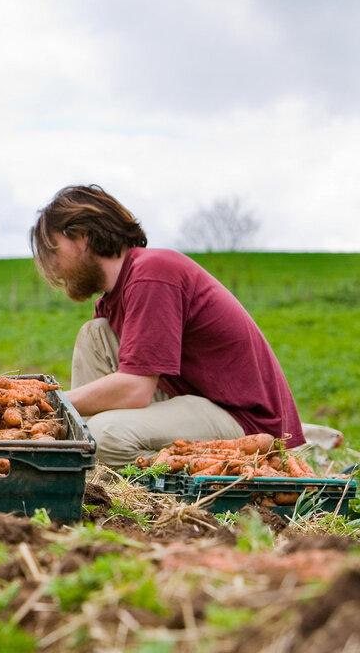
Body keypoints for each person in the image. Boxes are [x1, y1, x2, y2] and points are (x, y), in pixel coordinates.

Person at [29, 185, 305, 467]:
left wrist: (51, 400)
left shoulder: (152, 274)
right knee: (94, 334)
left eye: (53, 249)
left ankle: (217, 470)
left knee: (104, 435)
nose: (53, 265)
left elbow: (136, 389)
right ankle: (88, 459)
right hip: (192, 402)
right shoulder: (113, 299)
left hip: (243, 420)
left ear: (82, 237)